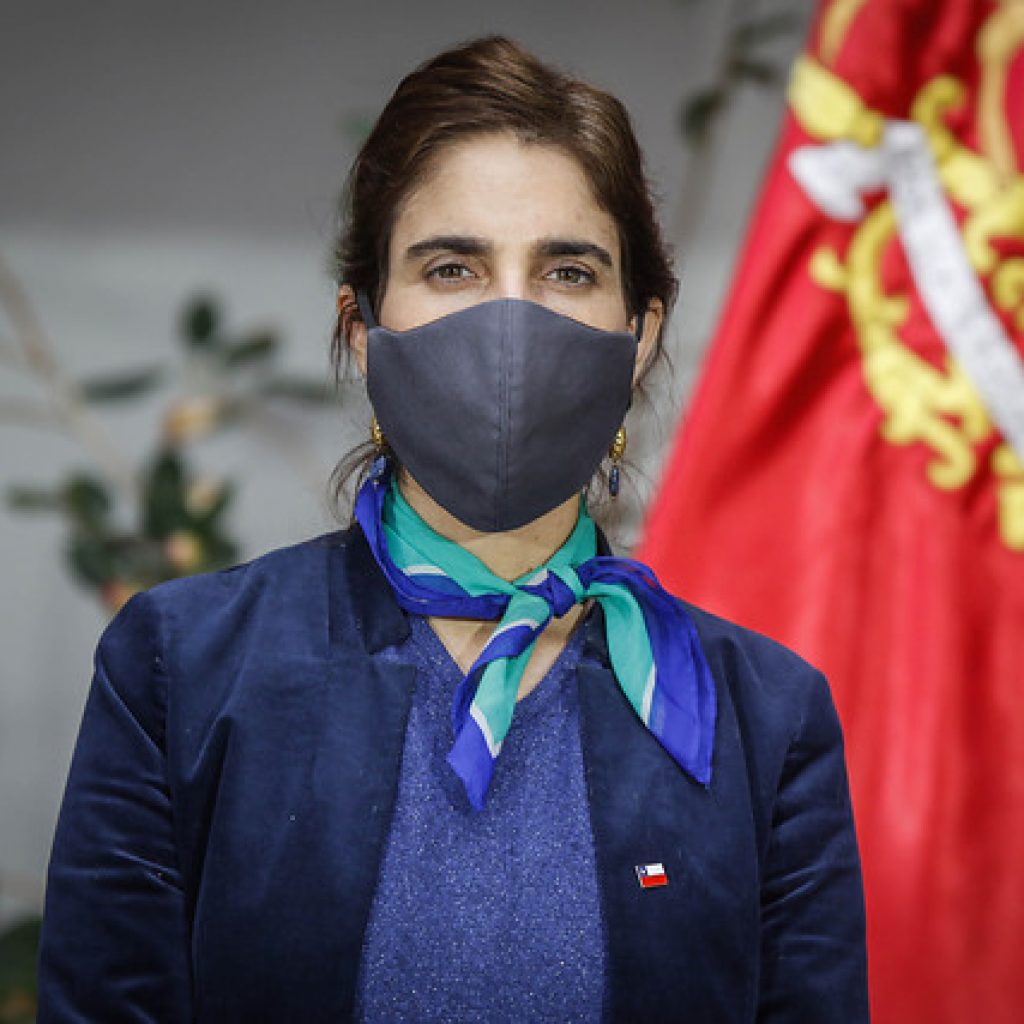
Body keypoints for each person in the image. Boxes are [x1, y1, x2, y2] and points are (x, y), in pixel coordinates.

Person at [37, 36, 869, 1023]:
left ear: (639, 337)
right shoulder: (182, 668)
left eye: (567, 271)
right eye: (451, 267)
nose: (510, 322)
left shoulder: (765, 718)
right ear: (362, 329)